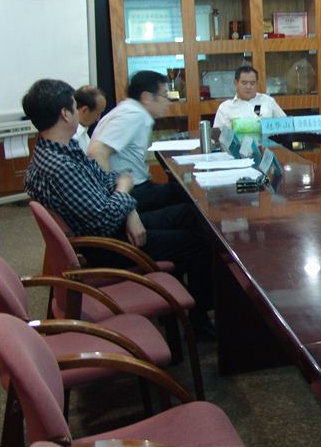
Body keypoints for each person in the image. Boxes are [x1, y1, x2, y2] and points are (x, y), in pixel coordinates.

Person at [22, 79, 214, 338]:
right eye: (74, 106)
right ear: (65, 114)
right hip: (106, 245)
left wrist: (129, 207)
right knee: (198, 242)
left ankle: (191, 305)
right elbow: (105, 216)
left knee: (190, 215)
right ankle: (199, 322)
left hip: (109, 225)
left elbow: (106, 178)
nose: (78, 112)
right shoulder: (60, 167)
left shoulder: (59, 149)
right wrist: (124, 193)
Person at [88, 70, 179, 213]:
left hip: (132, 187)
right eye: (164, 95)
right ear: (147, 97)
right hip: (130, 191)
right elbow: (96, 152)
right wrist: (115, 197)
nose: (167, 102)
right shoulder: (133, 115)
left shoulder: (128, 110)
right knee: (187, 200)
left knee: (179, 192)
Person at [212, 65, 286, 130]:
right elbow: (218, 137)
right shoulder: (225, 108)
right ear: (236, 83)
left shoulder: (268, 101)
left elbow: (286, 125)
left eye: (252, 83)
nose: (248, 87)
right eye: (244, 83)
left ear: (257, 84)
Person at [72, 85, 107, 153]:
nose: (98, 119)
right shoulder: (73, 137)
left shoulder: (83, 133)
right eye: (98, 114)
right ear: (85, 110)